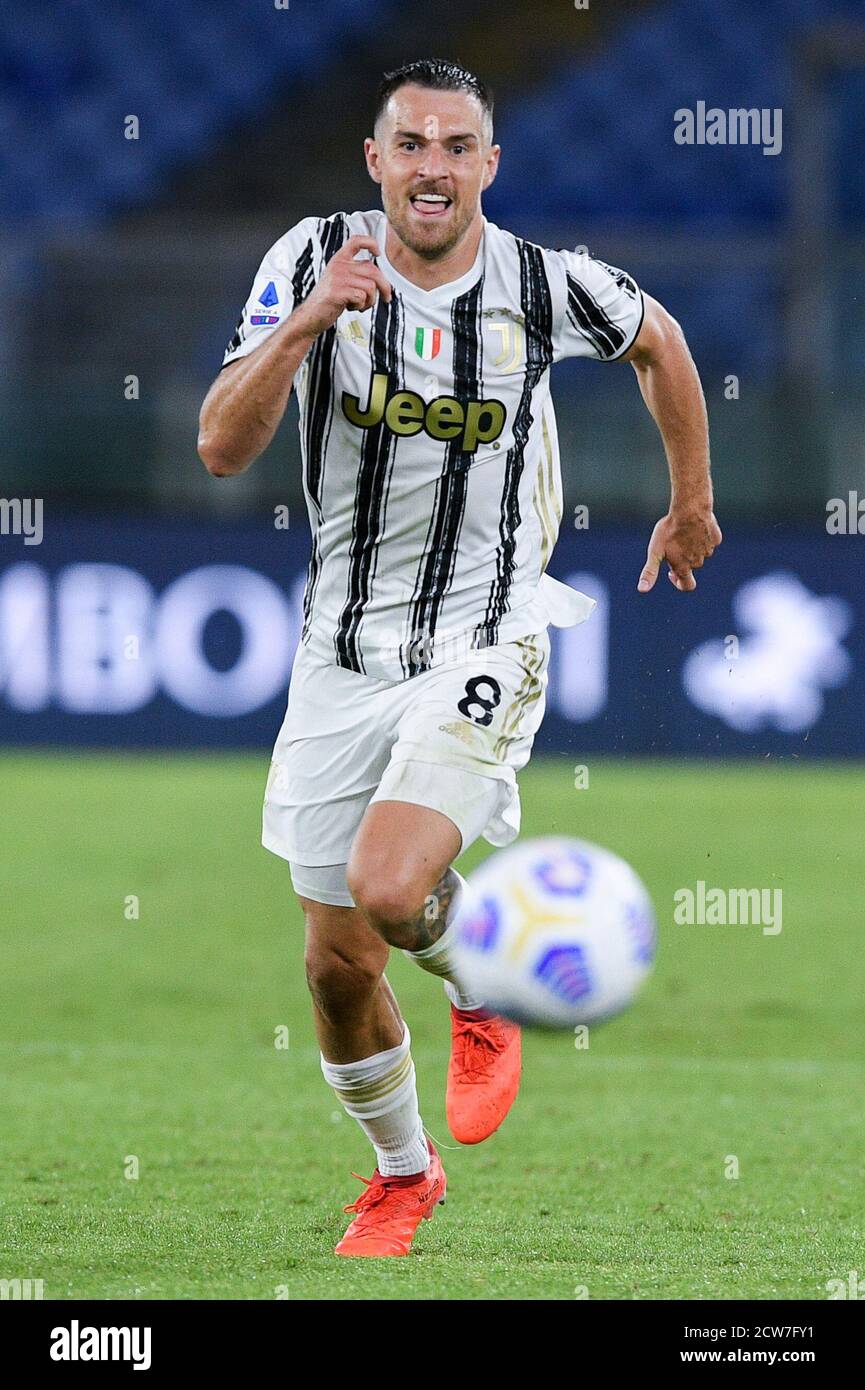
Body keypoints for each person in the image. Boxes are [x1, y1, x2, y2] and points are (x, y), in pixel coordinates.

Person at [197, 58, 721, 1257]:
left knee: (390, 888)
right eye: (411, 144)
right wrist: (315, 317)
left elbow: (663, 341)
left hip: (486, 632)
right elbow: (222, 446)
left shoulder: (541, 284)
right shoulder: (311, 255)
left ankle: (483, 982)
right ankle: (402, 1173)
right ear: (375, 161)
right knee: (335, 963)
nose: (433, 165)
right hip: (339, 653)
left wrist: (689, 504)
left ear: (490, 165)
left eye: (457, 145)